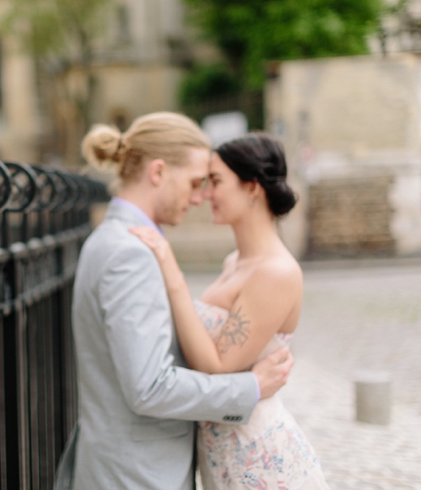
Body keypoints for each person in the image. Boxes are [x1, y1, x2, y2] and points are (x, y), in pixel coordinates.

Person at [65, 113, 294, 490]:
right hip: (137, 476)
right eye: (194, 182)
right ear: (158, 172)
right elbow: (150, 386)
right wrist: (250, 388)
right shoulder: (130, 252)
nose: (200, 197)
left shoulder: (115, 238)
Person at [130, 133, 329, 488]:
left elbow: (217, 366)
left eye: (216, 182)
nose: (205, 195)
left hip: (258, 458)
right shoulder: (233, 262)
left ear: (252, 188)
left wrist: (171, 273)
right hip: (220, 450)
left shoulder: (276, 272)